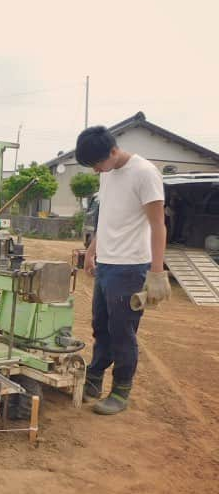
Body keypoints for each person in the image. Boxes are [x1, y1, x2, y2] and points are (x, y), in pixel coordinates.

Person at [75, 126, 171, 415]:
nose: (95, 170)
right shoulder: (108, 174)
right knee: (100, 327)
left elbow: (158, 225)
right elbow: (107, 217)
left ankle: (121, 391)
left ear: (114, 151)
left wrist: (156, 272)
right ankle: (93, 379)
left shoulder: (145, 173)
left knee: (122, 332)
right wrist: (92, 251)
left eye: (97, 164)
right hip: (107, 263)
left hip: (130, 267)